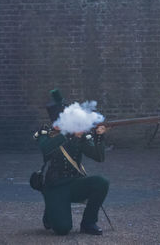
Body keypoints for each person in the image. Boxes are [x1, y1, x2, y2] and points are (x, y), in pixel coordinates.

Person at [33, 89, 110, 235]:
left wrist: (99, 137)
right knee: (62, 229)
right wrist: (69, 136)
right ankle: (50, 209)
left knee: (101, 183)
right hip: (54, 186)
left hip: (73, 183)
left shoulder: (78, 134)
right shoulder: (46, 133)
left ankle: (88, 223)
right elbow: (46, 149)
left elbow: (99, 157)